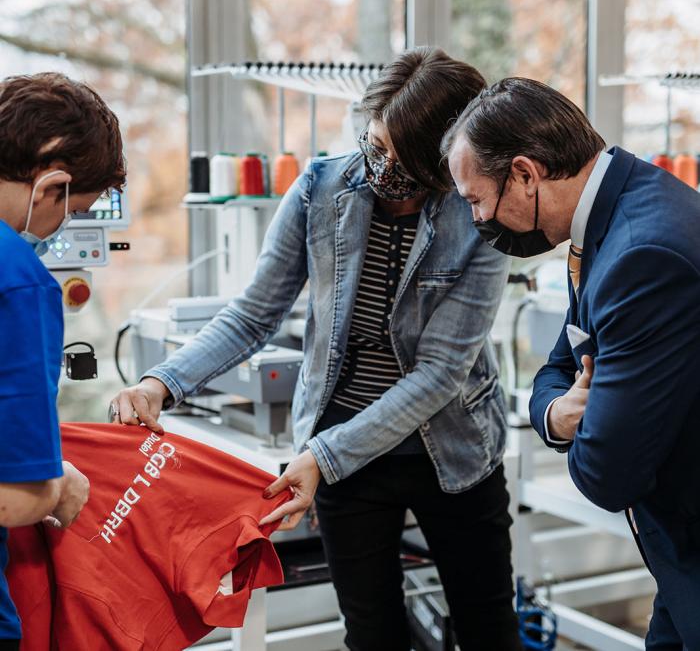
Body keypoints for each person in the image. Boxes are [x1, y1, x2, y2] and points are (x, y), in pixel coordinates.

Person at [110, 47, 522, 651]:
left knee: (490, 633)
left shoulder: (480, 215)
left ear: (446, 158)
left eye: (400, 157)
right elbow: (254, 314)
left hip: (453, 454)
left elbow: (438, 375)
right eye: (374, 145)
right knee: (372, 636)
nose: (381, 167)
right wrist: (161, 383)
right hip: (345, 455)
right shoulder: (320, 191)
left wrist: (322, 457)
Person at [444, 76, 700, 650]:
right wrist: (559, 414)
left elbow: (609, 474)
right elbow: (556, 369)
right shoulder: (602, 222)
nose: (478, 219)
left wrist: (587, 429)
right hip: (676, 555)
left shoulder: (640, 254)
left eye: (476, 200)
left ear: (526, 174)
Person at [0, 72, 127, 650]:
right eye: (73, 211)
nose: (60, 230)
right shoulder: (19, 281)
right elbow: (13, 499)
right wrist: (55, 487)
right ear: (50, 184)